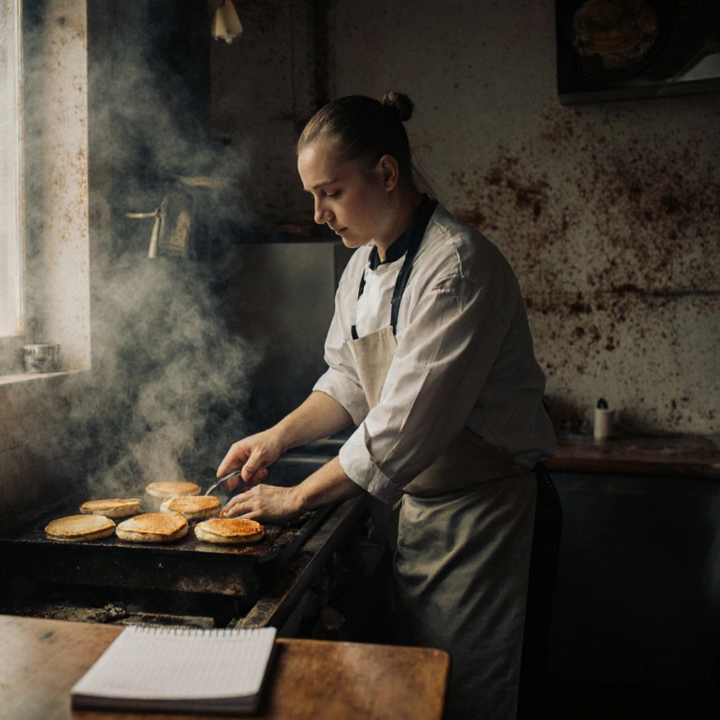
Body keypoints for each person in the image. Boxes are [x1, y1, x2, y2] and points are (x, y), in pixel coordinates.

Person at [217, 92, 562, 720]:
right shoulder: (360, 268)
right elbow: (348, 381)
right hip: (423, 514)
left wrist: (293, 498)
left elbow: (401, 429)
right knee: (424, 694)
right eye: (312, 195)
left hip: (487, 523)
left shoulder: (455, 269)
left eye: (331, 192)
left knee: (475, 700)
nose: (318, 214)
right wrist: (278, 436)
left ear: (385, 173)